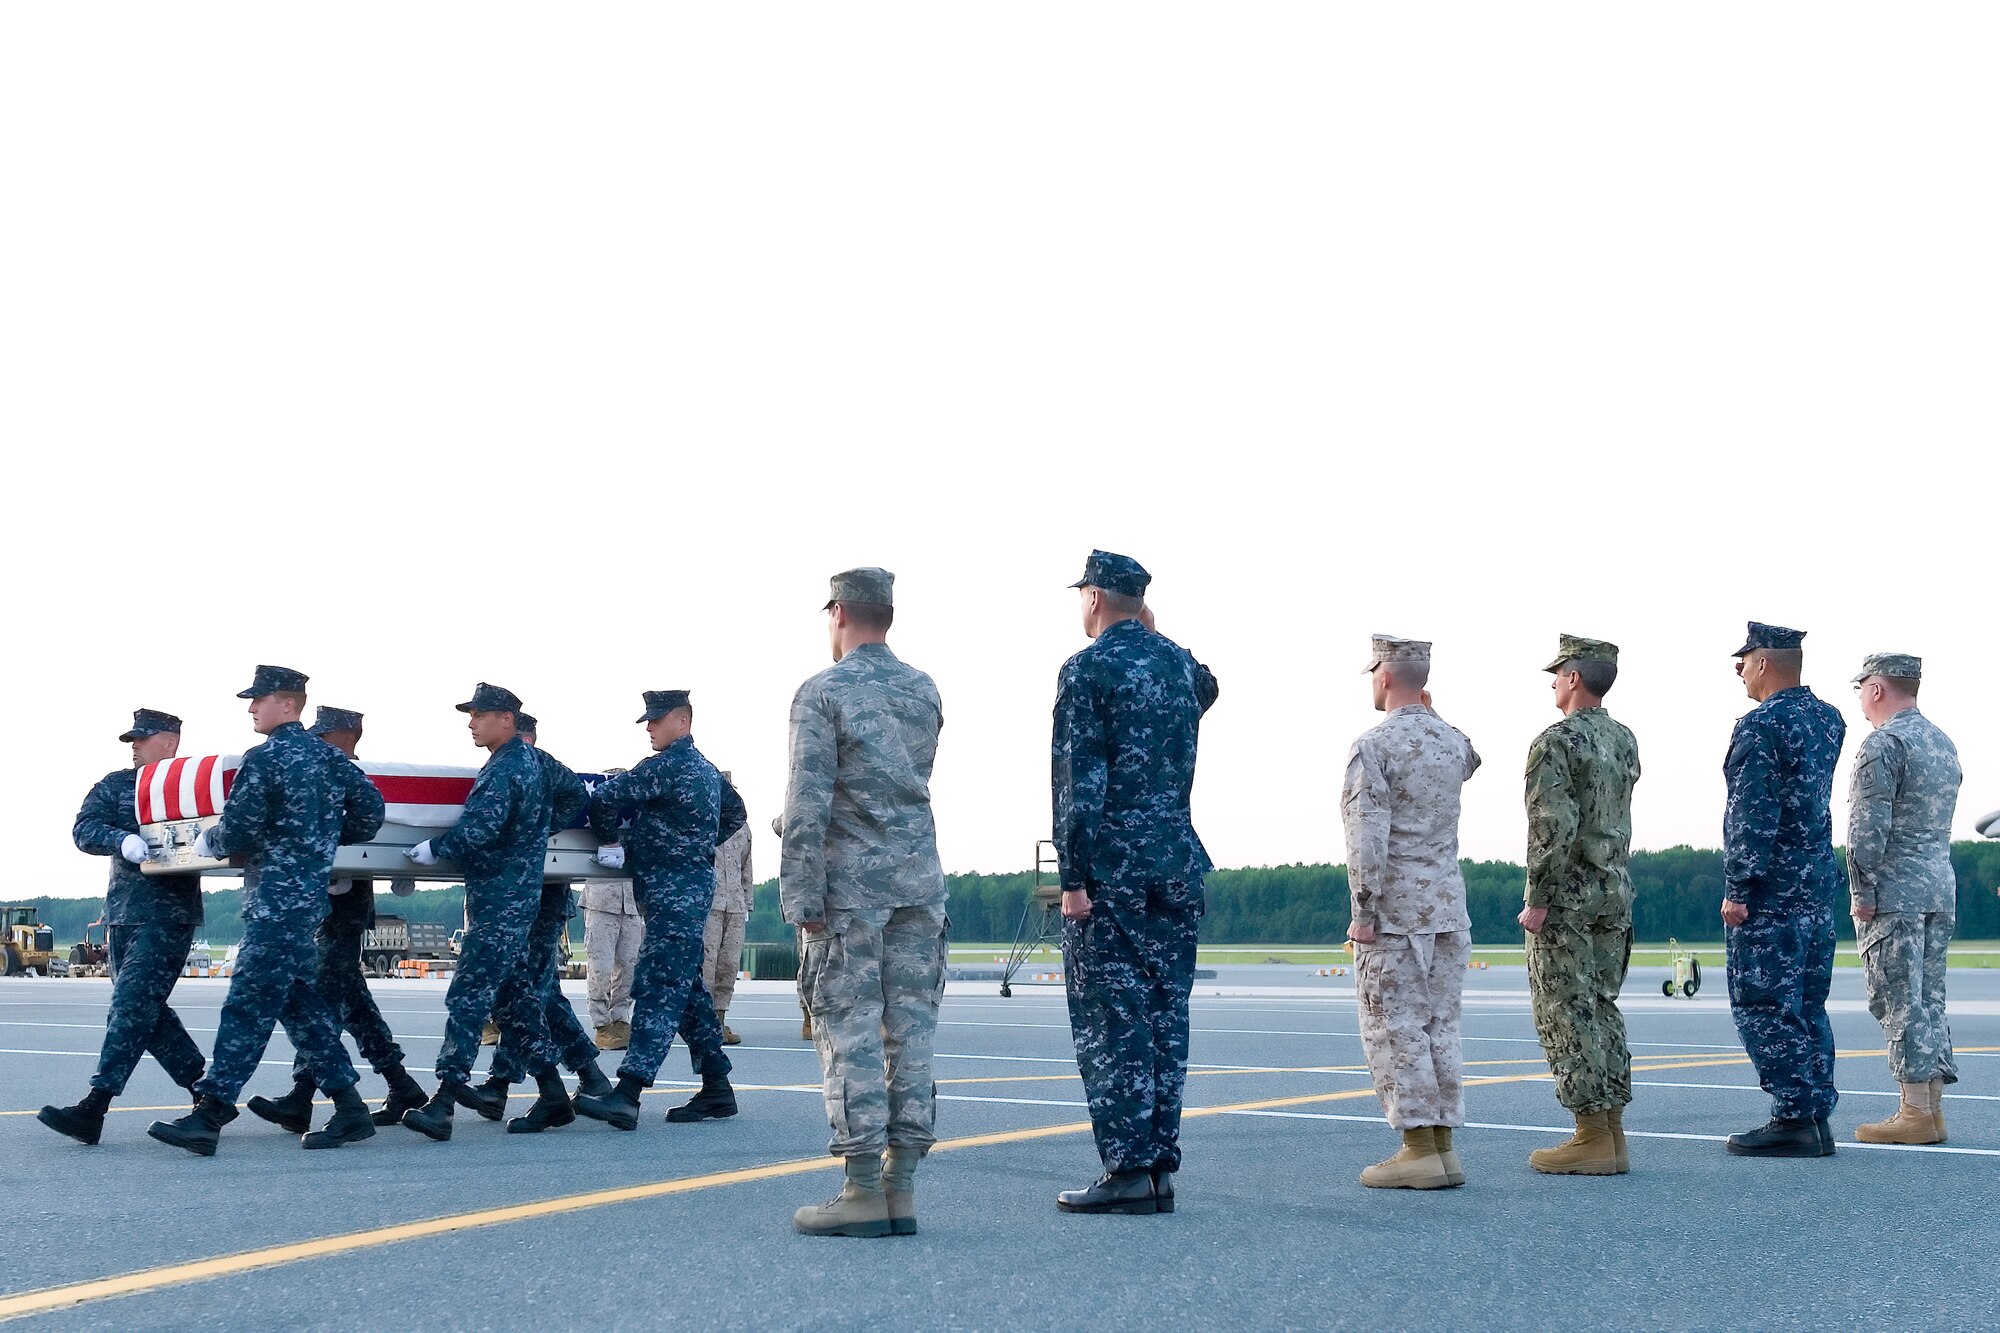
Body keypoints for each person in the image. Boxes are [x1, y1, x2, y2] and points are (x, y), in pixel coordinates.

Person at [148, 667, 386, 1155]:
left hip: (275, 905)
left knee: (248, 1005)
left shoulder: (266, 759)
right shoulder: (330, 760)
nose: (251, 708)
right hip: (307, 903)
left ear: (287, 703)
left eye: (258, 700)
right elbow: (370, 815)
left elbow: (236, 831)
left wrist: (205, 840)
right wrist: (319, 839)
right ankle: (351, 1109)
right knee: (302, 1010)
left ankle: (210, 1115)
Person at [782, 567, 949, 1237]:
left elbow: (807, 801)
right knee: (911, 1034)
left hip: (847, 894)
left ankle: (859, 1188)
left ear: (841, 611)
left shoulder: (822, 692)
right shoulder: (924, 689)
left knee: (848, 1030)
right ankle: (900, 1185)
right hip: (918, 885)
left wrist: (801, 894)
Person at [1051, 552, 1217, 1217]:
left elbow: (1076, 781)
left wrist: (1073, 876)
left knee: (1111, 1018)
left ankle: (1126, 1168)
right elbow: (1208, 683)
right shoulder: (1176, 666)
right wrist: (1153, 629)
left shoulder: (1086, 669)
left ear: (1094, 596)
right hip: (1174, 862)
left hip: (1113, 869)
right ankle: (1158, 1169)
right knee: (1164, 1014)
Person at [245, 706, 428, 1135]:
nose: (316, 742)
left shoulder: (351, 774)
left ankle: (302, 1097)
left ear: (346, 736)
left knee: (321, 1002)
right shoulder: (329, 769)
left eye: (323, 735)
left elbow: (373, 826)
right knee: (351, 1004)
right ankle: (402, 1085)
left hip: (344, 910)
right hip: (327, 908)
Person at [400, 683, 571, 1140]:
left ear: (508, 719)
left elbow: (479, 829)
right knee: (515, 1002)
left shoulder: (505, 769)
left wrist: (434, 848)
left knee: (468, 996)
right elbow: (577, 798)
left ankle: (444, 1101)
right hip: (518, 897)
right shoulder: (538, 762)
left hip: (498, 902)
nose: (471, 723)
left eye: (480, 715)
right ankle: (554, 1095)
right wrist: (536, 833)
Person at [1341, 635, 1480, 1190]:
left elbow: (1365, 838)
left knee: (1393, 1027)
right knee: (1440, 1026)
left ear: (1383, 675)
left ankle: (1418, 1148)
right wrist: (1430, 709)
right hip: (1447, 908)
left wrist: (1362, 911)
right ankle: (1443, 1147)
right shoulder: (1449, 742)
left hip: (1396, 912)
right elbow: (1472, 756)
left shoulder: (1372, 747)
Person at [573, 691, 745, 1132]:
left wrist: (613, 842)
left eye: (656, 720)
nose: (649, 727)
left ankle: (628, 1093)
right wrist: (694, 843)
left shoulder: (668, 766)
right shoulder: (707, 771)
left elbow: (604, 801)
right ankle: (717, 1088)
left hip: (671, 894)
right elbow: (736, 813)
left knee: (657, 984)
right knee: (687, 992)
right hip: (689, 888)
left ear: (682, 721)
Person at [39, 710, 208, 1144]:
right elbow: (84, 829)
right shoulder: (116, 784)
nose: (133, 745)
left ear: (169, 742)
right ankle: (203, 1091)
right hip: (122, 915)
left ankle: (95, 1106)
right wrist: (120, 839)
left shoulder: (191, 784)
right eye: (132, 738)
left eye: (142, 738)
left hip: (168, 915)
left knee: (132, 1006)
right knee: (145, 1011)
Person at [1517, 635, 1641, 1175]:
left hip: (1568, 896)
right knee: (1602, 1004)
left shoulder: (1556, 742)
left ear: (1573, 678)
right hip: (1614, 890)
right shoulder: (1624, 738)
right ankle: (1610, 1130)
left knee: (1565, 1009)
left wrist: (1538, 898)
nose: (1552, 683)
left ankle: (1590, 1132)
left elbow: (1553, 825)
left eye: (1558, 673)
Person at [1721, 622, 1847, 1157]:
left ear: (1766, 662)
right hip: (1816, 885)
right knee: (1807, 1004)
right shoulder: (1828, 719)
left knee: (1764, 1004)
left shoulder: (1762, 725)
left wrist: (1739, 887)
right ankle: (1814, 1114)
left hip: (1773, 892)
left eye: (1744, 659)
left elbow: (1754, 814)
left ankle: (1794, 1116)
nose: (1739, 669)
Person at [475, 714, 616, 1116]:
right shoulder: (505, 771)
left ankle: (501, 1084)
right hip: (518, 894)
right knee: (540, 991)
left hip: (544, 896)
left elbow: (578, 798)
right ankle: (590, 1075)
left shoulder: (540, 768)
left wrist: (541, 829)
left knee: (527, 990)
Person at [1846, 653, 1961, 1145]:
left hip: (1895, 892)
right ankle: (1930, 1106)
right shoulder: (1941, 742)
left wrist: (1861, 891)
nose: (1861, 699)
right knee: (1929, 998)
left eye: (1862, 688)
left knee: (1897, 998)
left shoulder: (1884, 744)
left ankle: (1914, 1110)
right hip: (1938, 884)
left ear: (1877, 689)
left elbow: (1866, 830)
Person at [706, 774, 754, 1045]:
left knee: (728, 965)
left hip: (734, 906)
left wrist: (747, 903)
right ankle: (703, 1024)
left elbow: (747, 868)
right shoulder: (702, 823)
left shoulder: (742, 828)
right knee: (706, 965)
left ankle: (720, 1019)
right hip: (709, 905)